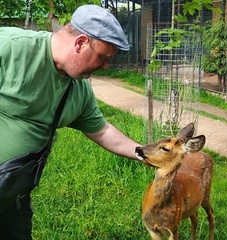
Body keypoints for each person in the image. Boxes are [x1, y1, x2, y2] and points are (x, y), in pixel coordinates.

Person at [0, 4, 145, 239]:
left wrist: (147, 154)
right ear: (80, 42)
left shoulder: (79, 89)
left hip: (14, 194)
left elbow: (103, 131)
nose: (106, 66)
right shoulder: (10, 48)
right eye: (103, 57)